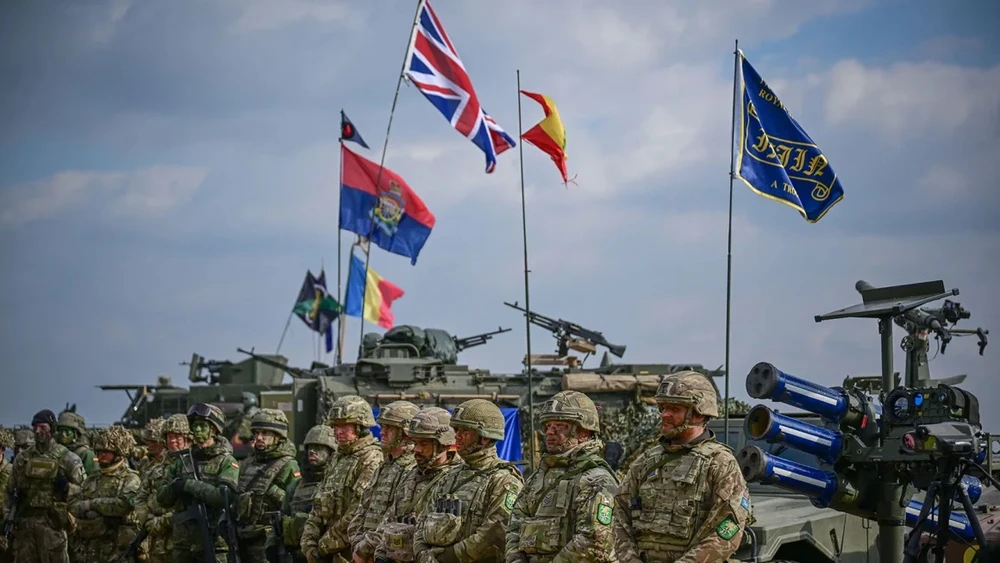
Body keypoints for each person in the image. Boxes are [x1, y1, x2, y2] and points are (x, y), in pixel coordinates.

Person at [613, 371, 752, 562]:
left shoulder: (720, 463)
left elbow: (728, 529)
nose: (665, 415)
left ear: (698, 413)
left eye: (674, 409)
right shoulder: (645, 461)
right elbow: (619, 516)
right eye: (663, 408)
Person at [504, 391, 619, 563]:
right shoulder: (538, 477)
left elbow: (594, 541)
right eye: (548, 426)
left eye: (560, 426)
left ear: (583, 432)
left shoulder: (596, 479)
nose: (550, 432)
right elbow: (514, 525)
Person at [413, 399, 524, 563]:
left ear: (484, 438)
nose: (456, 436)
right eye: (456, 430)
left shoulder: (503, 480)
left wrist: (447, 557)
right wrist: (422, 553)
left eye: (464, 431)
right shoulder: (450, 476)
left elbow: (494, 534)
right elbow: (422, 521)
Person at [374, 408, 463, 563]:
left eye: (424, 444)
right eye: (415, 443)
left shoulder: (457, 480)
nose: (417, 450)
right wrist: (381, 553)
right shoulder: (412, 475)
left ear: (442, 445)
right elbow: (391, 516)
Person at [301, 396, 383, 563]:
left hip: (351, 551)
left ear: (360, 426)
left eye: (344, 426)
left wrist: (324, 545)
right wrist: (309, 542)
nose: (338, 431)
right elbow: (318, 504)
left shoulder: (371, 458)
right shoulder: (337, 458)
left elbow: (358, 510)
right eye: (335, 426)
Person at [157, 403, 241, 563]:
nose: (197, 431)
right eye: (194, 426)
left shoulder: (226, 462)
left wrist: (189, 485)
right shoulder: (182, 460)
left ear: (214, 430)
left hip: (214, 543)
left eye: (202, 426)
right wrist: (174, 487)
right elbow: (162, 499)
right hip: (183, 544)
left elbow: (224, 497)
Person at [2, 409, 85, 562]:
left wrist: (67, 487)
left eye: (42, 427)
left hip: (53, 529)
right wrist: (9, 517)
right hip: (25, 531)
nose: (37, 431)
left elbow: (85, 492)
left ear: (52, 429)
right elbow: (9, 492)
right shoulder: (23, 458)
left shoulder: (68, 458)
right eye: (35, 427)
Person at [348, 400, 420, 563]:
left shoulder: (411, 469)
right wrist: (357, 544)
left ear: (406, 432)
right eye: (383, 426)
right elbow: (362, 509)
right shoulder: (384, 465)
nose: (382, 431)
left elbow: (395, 518)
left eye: (390, 428)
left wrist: (365, 549)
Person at [68, 425, 141, 562]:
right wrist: (84, 511)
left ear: (119, 454)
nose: (101, 456)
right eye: (99, 451)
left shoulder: (130, 478)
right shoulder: (92, 479)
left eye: (106, 452)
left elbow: (124, 505)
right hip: (88, 550)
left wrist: (92, 504)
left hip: (116, 551)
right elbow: (73, 503)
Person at [235, 409, 300, 562]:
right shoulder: (247, 464)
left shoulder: (289, 465)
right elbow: (235, 497)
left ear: (278, 436)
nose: (259, 438)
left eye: (265, 434)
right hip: (241, 538)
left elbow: (295, 505)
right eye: (256, 433)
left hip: (268, 541)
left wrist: (269, 489)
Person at [265, 424, 337, 562]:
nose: (312, 452)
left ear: (331, 452)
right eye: (310, 447)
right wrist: (271, 544)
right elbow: (281, 517)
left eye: (318, 447)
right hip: (295, 554)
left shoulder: (333, 485)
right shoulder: (296, 485)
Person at [134, 414, 190, 563]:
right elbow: (140, 497)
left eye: (177, 437)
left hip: (185, 543)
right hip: (156, 546)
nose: (172, 441)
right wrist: (148, 520)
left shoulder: (194, 467)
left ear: (187, 438)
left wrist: (166, 521)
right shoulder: (156, 470)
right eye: (169, 437)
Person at [54, 412, 98, 478]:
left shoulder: (87, 454)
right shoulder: (55, 451)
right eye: (61, 430)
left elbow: (92, 481)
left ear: (76, 433)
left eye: (66, 431)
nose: (63, 434)